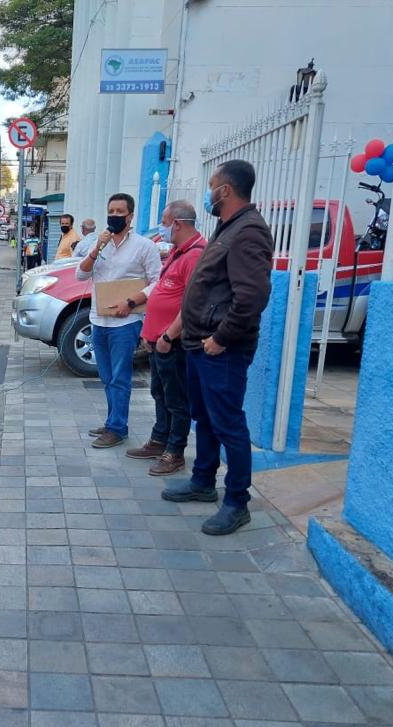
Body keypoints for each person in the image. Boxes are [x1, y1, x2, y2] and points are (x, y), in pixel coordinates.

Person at [162, 160, 273, 536]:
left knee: (228, 424)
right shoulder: (228, 227)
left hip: (222, 349)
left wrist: (221, 337)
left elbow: (252, 295)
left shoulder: (249, 231)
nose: (208, 193)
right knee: (205, 418)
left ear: (225, 190)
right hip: (199, 345)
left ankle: (237, 502)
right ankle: (203, 482)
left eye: (212, 186)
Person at [127, 201, 207, 476]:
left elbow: (192, 304)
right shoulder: (177, 252)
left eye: (164, 221)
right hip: (158, 341)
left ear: (177, 224)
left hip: (172, 342)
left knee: (176, 399)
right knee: (160, 393)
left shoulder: (195, 255)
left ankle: (174, 452)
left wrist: (168, 336)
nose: (161, 227)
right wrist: (150, 334)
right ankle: (159, 440)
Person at [76, 193, 161, 449]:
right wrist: (96, 250)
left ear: (130, 216)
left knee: (120, 377)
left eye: (119, 212)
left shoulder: (144, 246)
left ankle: (117, 428)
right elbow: (81, 275)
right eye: (110, 211)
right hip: (98, 320)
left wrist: (132, 301)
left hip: (126, 322)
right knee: (106, 376)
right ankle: (112, 421)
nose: (114, 216)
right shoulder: (99, 243)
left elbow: (157, 282)